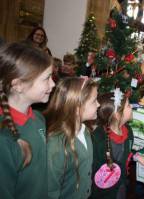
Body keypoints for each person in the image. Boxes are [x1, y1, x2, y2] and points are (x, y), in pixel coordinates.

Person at [0, 42, 55, 199]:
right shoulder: (4, 139)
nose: (53, 84)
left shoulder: (37, 118)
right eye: (46, 78)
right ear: (18, 85)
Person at [45, 77, 100, 199]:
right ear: (76, 107)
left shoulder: (85, 130)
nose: (98, 104)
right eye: (94, 101)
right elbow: (50, 190)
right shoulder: (56, 145)